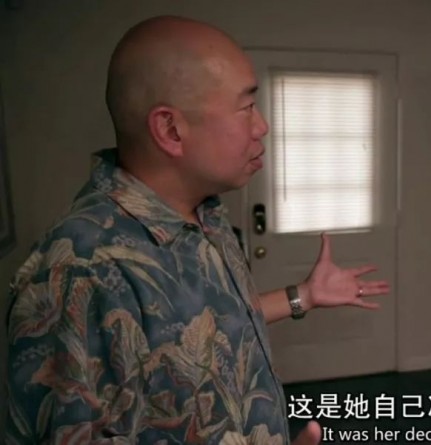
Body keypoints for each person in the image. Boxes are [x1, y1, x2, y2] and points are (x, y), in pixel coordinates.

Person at [5, 16, 389, 445]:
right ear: (170, 129)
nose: (262, 126)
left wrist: (303, 296)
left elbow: (201, 326)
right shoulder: (82, 272)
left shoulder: (203, 213)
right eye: (246, 107)